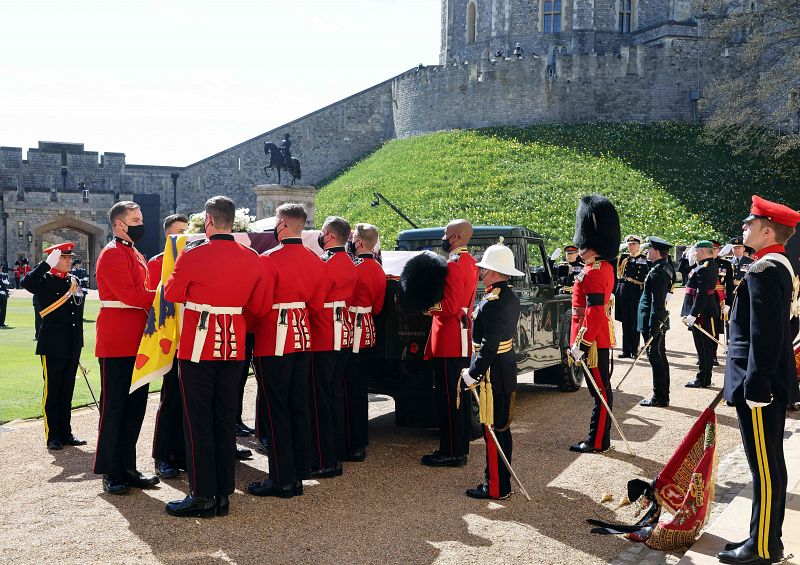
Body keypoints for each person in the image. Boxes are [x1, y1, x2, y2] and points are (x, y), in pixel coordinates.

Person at [163, 196, 264, 518]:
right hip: (233, 345)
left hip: (199, 346)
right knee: (224, 421)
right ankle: (222, 493)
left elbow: (172, 293)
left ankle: (203, 494)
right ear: (231, 221)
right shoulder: (251, 257)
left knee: (198, 423)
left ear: (208, 220)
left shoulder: (195, 254)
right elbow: (258, 306)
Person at [717, 195, 800, 565]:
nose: (743, 227)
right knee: (766, 465)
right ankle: (762, 536)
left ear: (768, 230)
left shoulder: (766, 269)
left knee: (765, 468)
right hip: (760, 381)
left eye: (750, 223)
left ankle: (765, 546)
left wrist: (757, 384)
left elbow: (764, 336)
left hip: (759, 386)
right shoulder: (772, 265)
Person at [248, 203, 325, 499]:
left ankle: (281, 478)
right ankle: (297, 473)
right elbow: (317, 305)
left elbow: (259, 305)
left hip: (274, 338)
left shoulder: (269, 259)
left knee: (275, 409)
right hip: (302, 336)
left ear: (281, 223)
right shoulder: (315, 260)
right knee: (298, 406)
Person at [93, 201, 159, 495]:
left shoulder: (134, 253)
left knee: (135, 407)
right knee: (114, 408)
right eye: (135, 218)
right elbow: (131, 295)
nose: (140, 222)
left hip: (137, 340)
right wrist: (162, 296)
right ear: (119, 224)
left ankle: (127, 466)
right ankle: (110, 469)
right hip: (117, 340)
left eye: (140, 217)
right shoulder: (112, 254)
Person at [460, 241, 522, 500]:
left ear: (495, 273)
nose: (482, 273)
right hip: (504, 369)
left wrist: (472, 372)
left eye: (485, 269)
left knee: (493, 431)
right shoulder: (507, 296)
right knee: (501, 429)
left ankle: (496, 487)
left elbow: (490, 345)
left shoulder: (493, 301)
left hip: (492, 374)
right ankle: (501, 483)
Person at [421, 219, 478, 468]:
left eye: (446, 234)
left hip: (449, 338)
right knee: (459, 398)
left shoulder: (453, 266)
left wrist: (425, 307)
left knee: (448, 398)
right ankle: (459, 447)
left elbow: (450, 307)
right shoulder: (471, 262)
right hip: (462, 336)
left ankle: (450, 452)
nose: (443, 238)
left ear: (454, 238)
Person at [568, 195, 621, 453]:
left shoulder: (595, 271)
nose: (579, 249)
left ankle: (598, 440)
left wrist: (582, 342)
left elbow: (595, 311)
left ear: (592, 245)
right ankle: (599, 438)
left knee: (600, 392)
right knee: (600, 391)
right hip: (593, 337)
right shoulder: (599, 267)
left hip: (592, 340)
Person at [22, 242, 86, 450]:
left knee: (67, 390)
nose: (70, 261)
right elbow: (27, 283)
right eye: (65, 257)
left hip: (72, 344)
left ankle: (66, 432)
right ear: (54, 259)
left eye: (70, 258)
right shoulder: (44, 280)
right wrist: (44, 265)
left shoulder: (74, 281)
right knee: (53, 391)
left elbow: (77, 315)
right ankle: (53, 435)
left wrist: (78, 344)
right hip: (52, 344)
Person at [308, 216, 358, 477]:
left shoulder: (325, 263)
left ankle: (324, 459)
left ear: (328, 234)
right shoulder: (350, 262)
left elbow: (316, 301)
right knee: (334, 394)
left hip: (325, 333)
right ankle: (335, 450)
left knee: (320, 398)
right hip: (344, 332)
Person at [148, 213, 189, 480]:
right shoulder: (157, 263)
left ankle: (184, 453)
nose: (183, 236)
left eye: (187, 231)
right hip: (171, 339)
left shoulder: (195, 257)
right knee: (171, 398)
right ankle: (163, 455)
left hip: (194, 339)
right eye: (178, 232)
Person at [343, 223, 386, 462]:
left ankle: (351, 441)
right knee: (358, 390)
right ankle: (359, 440)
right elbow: (378, 307)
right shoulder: (378, 269)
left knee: (348, 389)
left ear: (358, 243)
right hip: (368, 328)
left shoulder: (354, 267)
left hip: (350, 329)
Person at [636, 237, 676, 407]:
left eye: (650, 249)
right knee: (658, 357)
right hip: (655, 321)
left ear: (657, 252)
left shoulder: (659, 271)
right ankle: (661, 395)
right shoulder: (662, 267)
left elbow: (657, 302)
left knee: (656, 357)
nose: (647, 252)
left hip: (653, 321)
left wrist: (654, 327)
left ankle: (659, 397)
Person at [681, 241, 720, 389]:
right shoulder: (706, 265)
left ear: (703, 252)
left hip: (703, 313)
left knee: (704, 347)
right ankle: (704, 376)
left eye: (696, 251)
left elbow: (702, 293)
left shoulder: (705, 268)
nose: (694, 254)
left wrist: (693, 313)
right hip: (702, 311)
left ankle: (703, 379)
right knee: (703, 346)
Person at [615, 235, 649, 358]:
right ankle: (626, 350)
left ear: (639, 245)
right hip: (624, 291)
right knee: (625, 321)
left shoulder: (645, 259)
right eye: (629, 244)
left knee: (634, 322)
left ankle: (634, 350)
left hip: (636, 291)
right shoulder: (623, 258)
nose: (631, 246)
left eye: (634, 244)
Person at [711, 240, 734, 365]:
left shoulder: (725, 264)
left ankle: (713, 355)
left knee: (715, 327)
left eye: (714, 249)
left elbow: (729, 285)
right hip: (703, 298)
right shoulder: (700, 263)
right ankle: (703, 354)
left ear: (718, 250)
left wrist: (729, 303)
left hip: (717, 299)